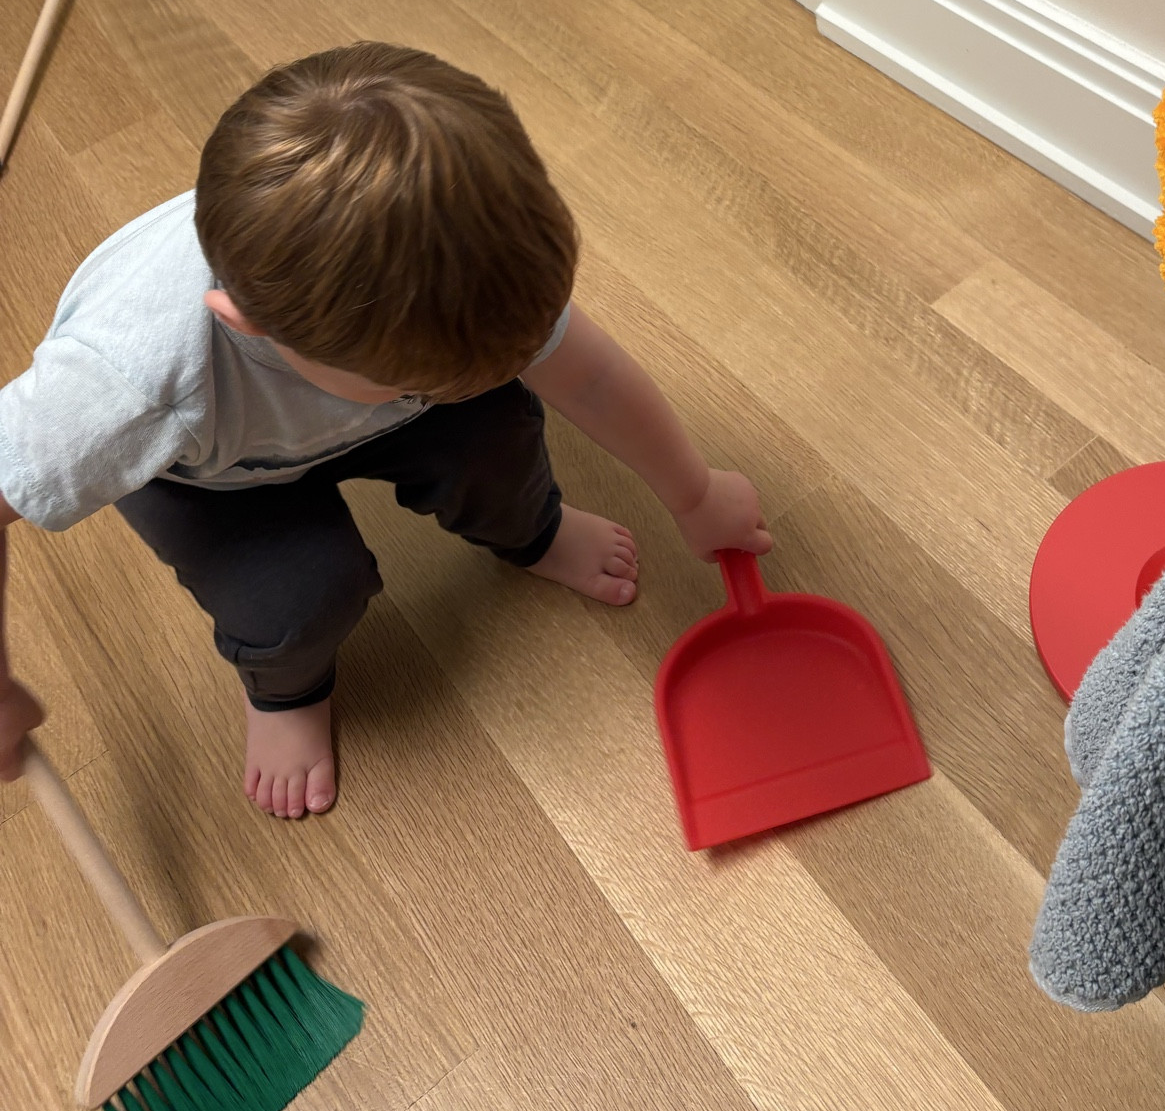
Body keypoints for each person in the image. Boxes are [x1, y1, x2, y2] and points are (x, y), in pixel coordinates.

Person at [0, 44, 770, 820]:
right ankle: (284, 692)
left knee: (497, 436)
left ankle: (531, 533)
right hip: (211, 473)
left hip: (361, 391)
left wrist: (694, 491)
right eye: (425, 380)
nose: (479, 377)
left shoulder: (461, 264)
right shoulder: (127, 382)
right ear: (249, 327)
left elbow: (590, 377)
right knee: (299, 599)